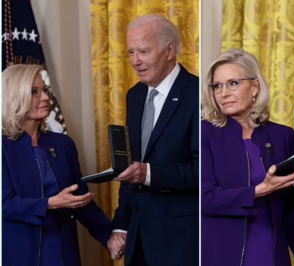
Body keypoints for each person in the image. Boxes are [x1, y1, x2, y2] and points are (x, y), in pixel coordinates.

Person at [201, 48, 294, 266]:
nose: (224, 93)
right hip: (219, 251)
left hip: (269, 250)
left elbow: (291, 205)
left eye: (233, 83)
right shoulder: (204, 133)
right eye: (217, 86)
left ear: (255, 87)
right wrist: (259, 191)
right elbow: (205, 199)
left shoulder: (283, 136)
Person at [107, 14, 199, 266]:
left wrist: (149, 174)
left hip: (180, 242)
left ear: (169, 50)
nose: (135, 61)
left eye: (144, 51)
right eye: (131, 52)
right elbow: (130, 168)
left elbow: (203, 171)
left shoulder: (198, 94)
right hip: (137, 240)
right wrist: (121, 227)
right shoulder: (134, 95)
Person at [2, 64, 112, 266]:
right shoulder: (3, 148)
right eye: (34, 92)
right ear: (14, 96)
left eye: (44, 90)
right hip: (19, 253)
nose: (45, 97)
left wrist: (111, 236)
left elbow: (80, 201)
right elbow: (5, 205)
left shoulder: (63, 144)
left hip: (63, 253)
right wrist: (50, 204)